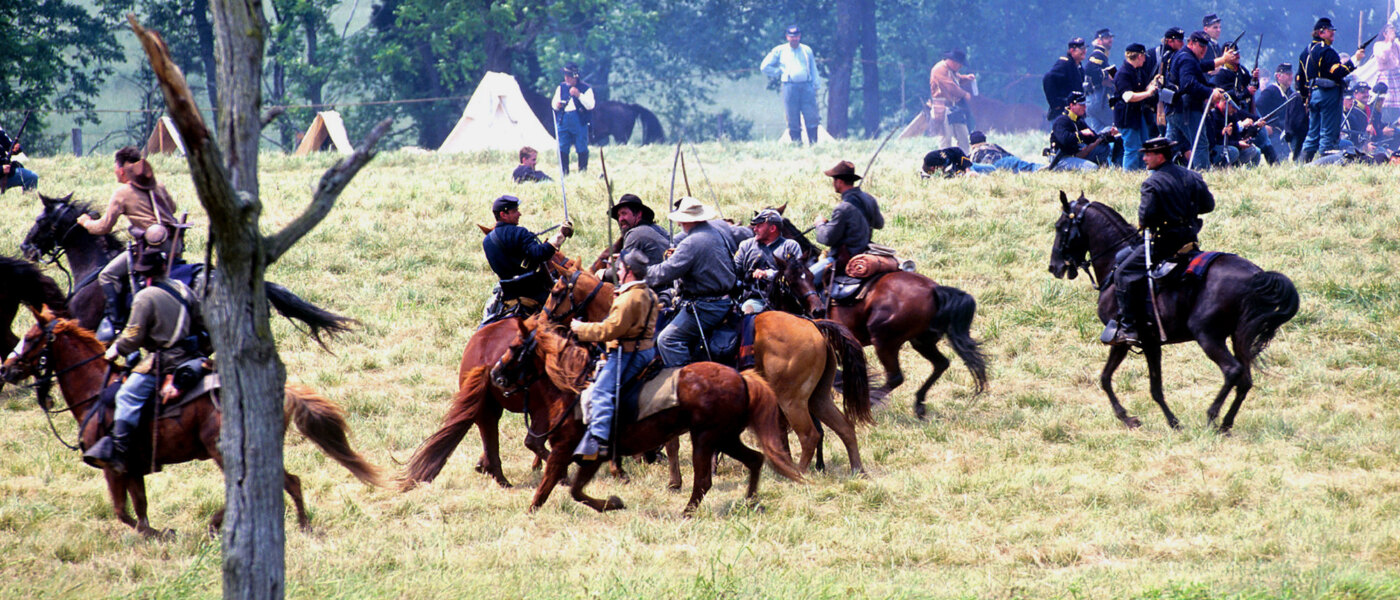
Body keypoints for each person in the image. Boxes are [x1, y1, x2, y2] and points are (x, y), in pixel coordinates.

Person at [83, 245, 200, 475]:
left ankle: (120, 450)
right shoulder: (184, 289)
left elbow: (133, 336)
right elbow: (202, 323)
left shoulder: (145, 296)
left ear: (142, 274)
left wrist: (114, 349)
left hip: (165, 360)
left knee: (128, 395)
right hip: (192, 355)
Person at [1105, 137, 1215, 346]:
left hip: (1163, 246)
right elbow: (1208, 205)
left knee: (1123, 273)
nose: (1144, 159)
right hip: (1190, 241)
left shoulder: (1152, 183)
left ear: (1160, 156)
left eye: (1148, 154)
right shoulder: (1192, 176)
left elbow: (1145, 219)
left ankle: (1128, 328)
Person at [77, 147, 179, 342]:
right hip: (174, 247)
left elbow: (104, 227)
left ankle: (116, 325)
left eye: (115, 167)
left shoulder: (122, 193)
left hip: (148, 250)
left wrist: (85, 222)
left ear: (122, 169)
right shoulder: (159, 186)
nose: (115, 171)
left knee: (107, 275)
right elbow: (172, 208)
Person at [569, 251, 659, 461]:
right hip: (646, 350)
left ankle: (598, 443)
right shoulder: (648, 293)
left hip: (628, 354)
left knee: (600, 391)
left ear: (629, 272)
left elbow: (609, 331)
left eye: (620, 268)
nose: (617, 271)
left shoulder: (629, 299)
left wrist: (580, 328)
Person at [646, 197, 737, 367]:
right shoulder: (715, 232)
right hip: (724, 300)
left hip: (707, 306)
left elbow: (665, 273)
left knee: (667, 340)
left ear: (683, 220)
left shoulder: (691, 242)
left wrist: (637, 272)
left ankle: (684, 381)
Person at [481, 195, 572, 322]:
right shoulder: (519, 232)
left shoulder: (487, 241)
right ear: (503, 214)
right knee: (571, 309)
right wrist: (561, 235)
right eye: (514, 211)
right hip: (535, 293)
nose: (519, 214)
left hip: (508, 295)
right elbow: (540, 253)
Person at [1299, 17, 1364, 163]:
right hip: (1328, 95)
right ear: (1321, 32)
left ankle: (1303, 166)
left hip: (1314, 94)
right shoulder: (1327, 51)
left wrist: (1305, 98)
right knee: (1329, 133)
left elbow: (1300, 78)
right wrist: (1355, 59)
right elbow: (1338, 72)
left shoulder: (1306, 52)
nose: (1332, 33)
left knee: (1313, 134)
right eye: (1329, 31)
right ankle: (1325, 167)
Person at [812, 161, 884, 282]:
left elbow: (827, 239)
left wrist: (820, 224)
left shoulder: (843, 208)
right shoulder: (869, 199)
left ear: (839, 182)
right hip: (866, 251)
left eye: (834, 180)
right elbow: (879, 224)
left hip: (845, 257)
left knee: (806, 280)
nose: (833, 183)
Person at [1167, 31, 1226, 169]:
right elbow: (1188, 83)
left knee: (1168, 146)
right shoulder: (1187, 59)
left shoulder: (1186, 56)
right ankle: (1202, 175)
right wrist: (1210, 92)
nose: (1204, 50)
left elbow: (1202, 66)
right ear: (1191, 43)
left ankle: (1158, 173)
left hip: (1175, 108)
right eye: (1201, 46)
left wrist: (1223, 60)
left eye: (1205, 46)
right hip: (1187, 110)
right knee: (1200, 144)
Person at [733, 209, 803, 314]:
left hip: (786, 300)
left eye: (759, 226)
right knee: (747, 313)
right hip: (754, 299)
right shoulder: (746, 246)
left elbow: (797, 275)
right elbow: (734, 272)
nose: (755, 229)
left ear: (772, 228)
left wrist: (768, 274)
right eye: (755, 226)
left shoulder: (790, 246)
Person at [761, 25, 821, 145]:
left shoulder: (806, 50)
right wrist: (778, 72)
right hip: (789, 86)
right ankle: (797, 144)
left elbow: (813, 68)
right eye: (792, 37)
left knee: (811, 116)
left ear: (800, 37)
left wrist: (816, 84)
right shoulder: (780, 50)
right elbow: (764, 66)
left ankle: (814, 144)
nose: (794, 39)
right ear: (787, 37)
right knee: (792, 116)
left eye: (797, 36)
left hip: (806, 86)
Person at [1116, 43, 1160, 169]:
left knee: (1143, 145)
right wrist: (1147, 93)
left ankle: (1141, 171)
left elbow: (1142, 88)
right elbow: (1128, 96)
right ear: (1139, 56)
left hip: (1137, 114)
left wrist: (1152, 84)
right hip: (1126, 116)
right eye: (1144, 56)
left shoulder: (1139, 72)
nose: (1145, 59)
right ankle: (1129, 174)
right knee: (1132, 148)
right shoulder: (1123, 73)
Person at [1049, 91, 1118, 170]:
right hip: (1060, 158)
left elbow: (1093, 138)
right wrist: (1081, 133)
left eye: (1084, 104)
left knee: (1103, 148)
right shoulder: (1061, 120)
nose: (1085, 107)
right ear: (1072, 105)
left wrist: (1109, 134)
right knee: (1092, 168)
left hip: (1073, 156)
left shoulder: (1079, 121)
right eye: (1081, 105)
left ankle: (1106, 168)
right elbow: (1065, 140)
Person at [928, 49, 976, 152]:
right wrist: (964, 94)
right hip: (942, 108)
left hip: (954, 107)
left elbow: (957, 80)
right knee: (946, 139)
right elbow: (951, 87)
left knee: (963, 137)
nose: (961, 67)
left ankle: (964, 163)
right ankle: (946, 165)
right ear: (954, 62)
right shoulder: (939, 69)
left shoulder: (951, 71)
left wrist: (966, 78)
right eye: (960, 64)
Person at [552, 63, 595, 174]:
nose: (566, 78)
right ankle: (564, 173)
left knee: (581, 146)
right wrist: (557, 105)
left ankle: (582, 172)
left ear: (575, 76)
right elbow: (553, 104)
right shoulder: (561, 87)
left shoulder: (586, 89)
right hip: (563, 119)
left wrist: (579, 95)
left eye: (569, 76)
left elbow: (590, 105)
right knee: (562, 147)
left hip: (579, 120)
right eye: (565, 75)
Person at [1254, 63, 1296, 155]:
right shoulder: (1270, 91)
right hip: (1273, 129)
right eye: (1288, 74)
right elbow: (1256, 108)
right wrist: (1263, 127)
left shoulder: (1290, 93)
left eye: (1291, 74)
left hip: (1284, 129)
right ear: (1278, 76)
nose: (1291, 77)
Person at [1043, 37, 1089, 120]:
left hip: (1076, 113)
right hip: (1063, 113)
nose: (1084, 51)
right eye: (1081, 49)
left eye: (1085, 49)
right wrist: (1055, 103)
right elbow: (1048, 78)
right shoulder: (1064, 63)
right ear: (1072, 50)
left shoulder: (1078, 66)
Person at [1085, 29, 1116, 129]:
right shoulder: (1098, 54)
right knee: (1113, 127)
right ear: (1099, 41)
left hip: (1093, 99)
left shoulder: (1101, 55)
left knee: (1098, 133)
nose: (1110, 40)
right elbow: (1089, 69)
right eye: (1106, 38)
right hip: (1099, 98)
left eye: (1111, 38)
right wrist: (1107, 75)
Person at [968, 131, 1044, 172]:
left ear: (972, 144)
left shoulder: (975, 151)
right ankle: (1042, 167)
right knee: (1028, 166)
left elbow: (971, 166)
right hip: (1008, 159)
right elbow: (1007, 153)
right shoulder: (992, 145)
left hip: (996, 164)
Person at [0, 127, 37, 193]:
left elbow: (9, 145)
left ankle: (27, 201)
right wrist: (1, 169)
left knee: (32, 177)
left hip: (6, 173)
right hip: (2, 171)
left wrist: (16, 148)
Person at [1374, 23, 1400, 111]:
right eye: (1391, 32)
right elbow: (1383, 58)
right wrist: (1389, 42)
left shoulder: (1396, 45)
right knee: (1386, 101)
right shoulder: (1379, 45)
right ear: (1385, 34)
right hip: (1386, 77)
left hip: (1396, 76)